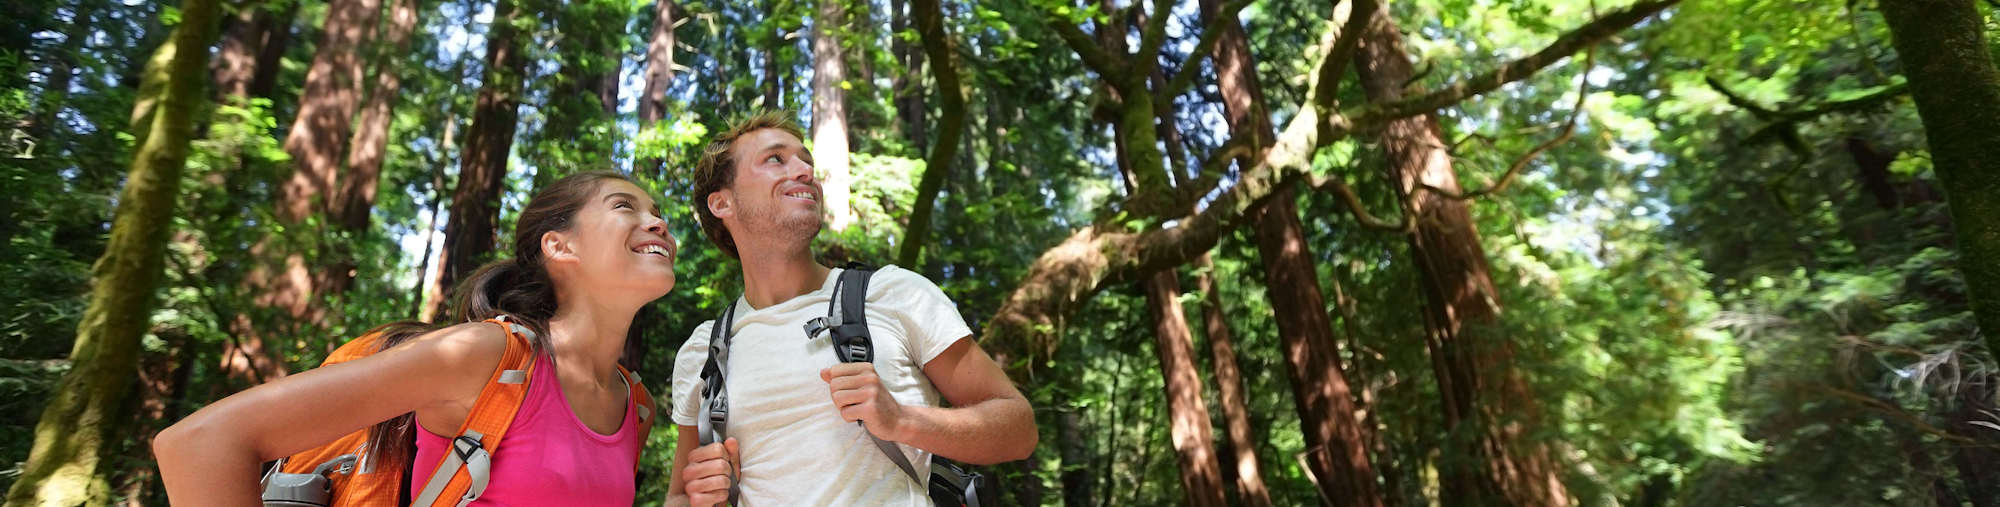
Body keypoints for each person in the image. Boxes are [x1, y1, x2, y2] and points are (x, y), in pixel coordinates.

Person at [155, 171, 676, 506]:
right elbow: (199, 444)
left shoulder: (635, 405)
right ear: (559, 246)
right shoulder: (488, 356)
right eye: (625, 206)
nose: (657, 222)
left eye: (658, 213)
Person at [666, 111, 1037, 506]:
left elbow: (1019, 429)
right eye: (776, 159)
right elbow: (676, 498)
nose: (805, 171)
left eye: (806, 161)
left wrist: (902, 420)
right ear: (723, 202)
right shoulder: (704, 350)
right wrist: (701, 496)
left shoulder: (895, 294)